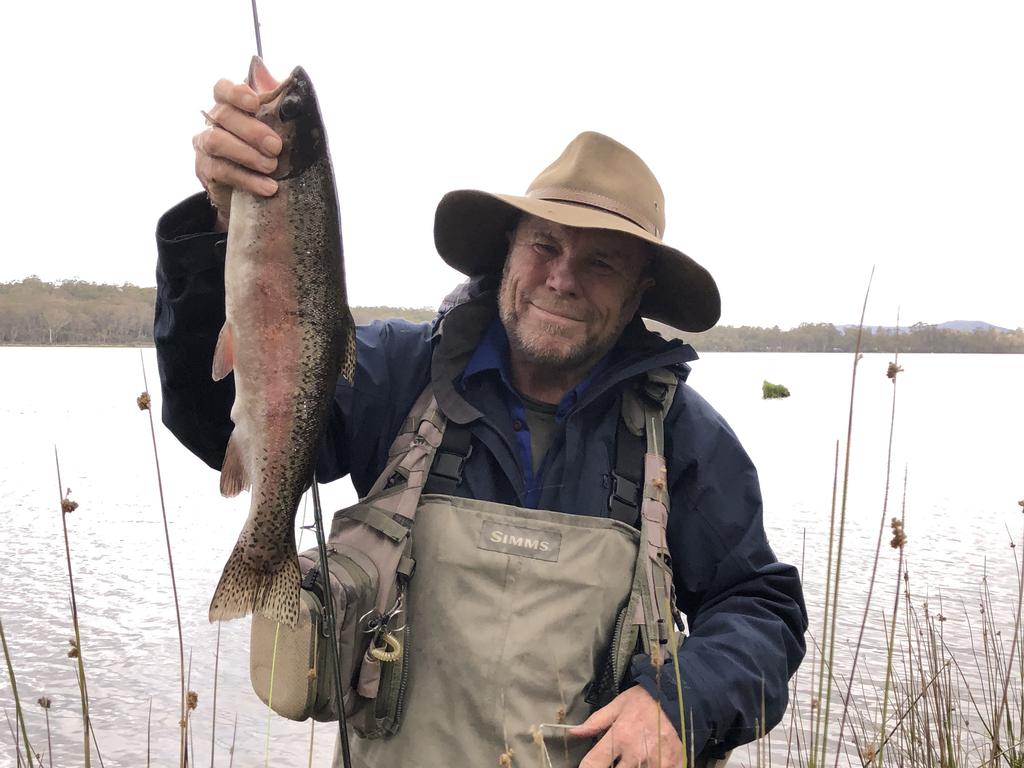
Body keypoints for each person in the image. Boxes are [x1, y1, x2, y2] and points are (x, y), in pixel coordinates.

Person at [155, 73, 807, 768]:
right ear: (506, 252)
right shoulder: (399, 375)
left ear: (641, 289)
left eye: (602, 263)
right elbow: (206, 412)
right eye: (545, 246)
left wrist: (680, 703)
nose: (562, 278)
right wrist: (216, 222)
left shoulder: (678, 435)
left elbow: (762, 608)